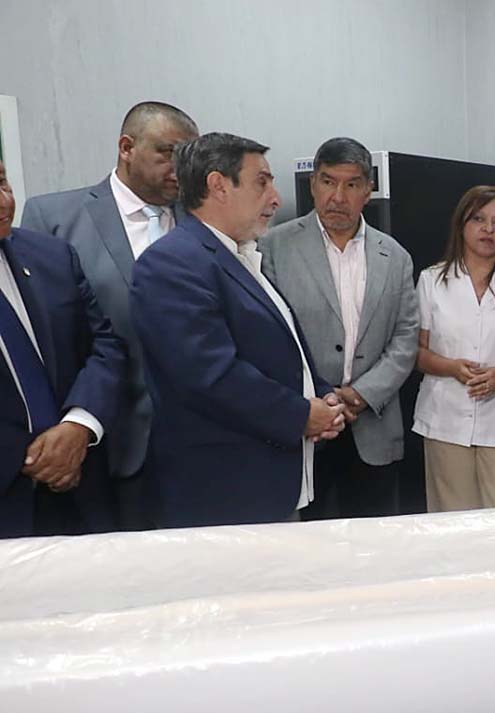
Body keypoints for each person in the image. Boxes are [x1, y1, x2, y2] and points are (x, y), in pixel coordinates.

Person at [130, 133, 345, 528]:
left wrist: (322, 394)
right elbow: (210, 376)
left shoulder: (240, 255)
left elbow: (277, 346)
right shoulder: (172, 264)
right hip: (224, 495)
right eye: (262, 183)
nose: (276, 199)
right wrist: (301, 415)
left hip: (270, 484)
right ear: (218, 186)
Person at [21, 101, 199, 530]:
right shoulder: (54, 218)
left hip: (194, 448)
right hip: (101, 443)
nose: (179, 168)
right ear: (126, 147)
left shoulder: (200, 222)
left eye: (188, 157)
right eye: (167, 153)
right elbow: (40, 339)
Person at [260, 138, 418, 520]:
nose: (338, 197)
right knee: (311, 544)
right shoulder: (273, 247)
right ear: (313, 184)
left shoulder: (395, 256)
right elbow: (268, 336)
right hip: (306, 425)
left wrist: (361, 394)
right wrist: (318, 399)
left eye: (351, 184)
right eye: (328, 182)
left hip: (373, 426)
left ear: (368, 190)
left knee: (374, 542)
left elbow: (405, 337)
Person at [0, 159, 127, 537]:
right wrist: (31, 459)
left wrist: (78, 426)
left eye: (3, 182)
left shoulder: (52, 255)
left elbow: (105, 346)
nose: (4, 201)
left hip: (82, 491)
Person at [413, 186, 495, 511]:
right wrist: (451, 367)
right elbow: (416, 352)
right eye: (479, 219)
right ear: (462, 225)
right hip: (446, 419)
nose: (488, 229)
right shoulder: (432, 280)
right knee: (452, 519)